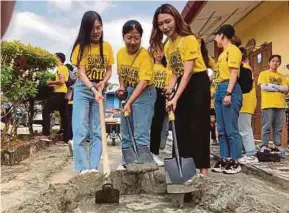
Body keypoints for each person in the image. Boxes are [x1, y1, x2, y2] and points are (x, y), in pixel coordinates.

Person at [150, 4, 210, 176]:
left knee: (198, 126)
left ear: (176, 19)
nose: (165, 27)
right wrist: (170, 90)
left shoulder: (189, 39)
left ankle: (203, 171)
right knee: (180, 126)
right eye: (161, 24)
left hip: (198, 83)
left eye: (168, 21)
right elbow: (175, 71)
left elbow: (189, 70)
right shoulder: (168, 46)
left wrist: (176, 96)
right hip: (182, 85)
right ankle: (184, 173)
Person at [70, 11, 114, 174]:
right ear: (85, 29)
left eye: (98, 27)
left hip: (100, 89)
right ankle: (83, 168)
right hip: (83, 89)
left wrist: (103, 82)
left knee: (97, 130)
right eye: (92, 28)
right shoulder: (80, 47)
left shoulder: (107, 46)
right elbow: (81, 72)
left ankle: (93, 168)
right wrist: (92, 88)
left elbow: (109, 69)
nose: (96, 31)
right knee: (81, 129)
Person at [117, 20, 156, 170]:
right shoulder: (120, 53)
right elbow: (121, 74)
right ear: (123, 37)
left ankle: (144, 163)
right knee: (126, 129)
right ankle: (127, 161)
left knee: (141, 130)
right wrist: (122, 88)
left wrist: (129, 102)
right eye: (129, 37)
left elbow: (144, 82)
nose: (133, 42)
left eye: (136, 38)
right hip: (129, 91)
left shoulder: (145, 55)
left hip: (145, 93)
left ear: (141, 38)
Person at [211, 24, 243, 174]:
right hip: (219, 89)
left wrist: (228, 93)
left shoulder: (233, 50)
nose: (215, 39)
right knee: (221, 129)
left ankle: (235, 160)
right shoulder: (222, 54)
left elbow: (234, 73)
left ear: (222, 35)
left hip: (229, 88)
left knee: (231, 129)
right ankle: (224, 158)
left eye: (216, 36)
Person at [257, 55, 287, 150]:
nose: (275, 63)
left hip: (280, 104)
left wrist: (272, 86)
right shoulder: (263, 74)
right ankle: (264, 145)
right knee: (266, 126)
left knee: (278, 127)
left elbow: (286, 88)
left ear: (279, 63)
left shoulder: (282, 76)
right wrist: (279, 88)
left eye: (277, 61)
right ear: (269, 63)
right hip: (268, 104)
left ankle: (277, 145)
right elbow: (264, 87)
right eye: (273, 61)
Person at [149, 45, 171, 166]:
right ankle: (147, 151)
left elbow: (169, 84)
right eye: (156, 51)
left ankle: (155, 152)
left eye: (161, 51)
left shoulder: (167, 67)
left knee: (160, 126)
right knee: (149, 125)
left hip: (163, 95)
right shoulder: (150, 65)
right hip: (151, 94)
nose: (158, 54)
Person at [41, 53, 69, 142]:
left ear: (58, 58)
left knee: (45, 110)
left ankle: (46, 134)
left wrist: (50, 82)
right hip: (63, 93)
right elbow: (63, 81)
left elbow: (61, 81)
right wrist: (53, 84)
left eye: (54, 58)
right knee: (64, 116)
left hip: (59, 93)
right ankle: (65, 138)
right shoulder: (64, 68)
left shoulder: (61, 68)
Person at [237, 47, 258, 164]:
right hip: (243, 102)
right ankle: (245, 152)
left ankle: (251, 154)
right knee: (241, 129)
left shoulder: (244, 68)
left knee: (244, 129)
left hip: (245, 102)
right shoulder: (243, 68)